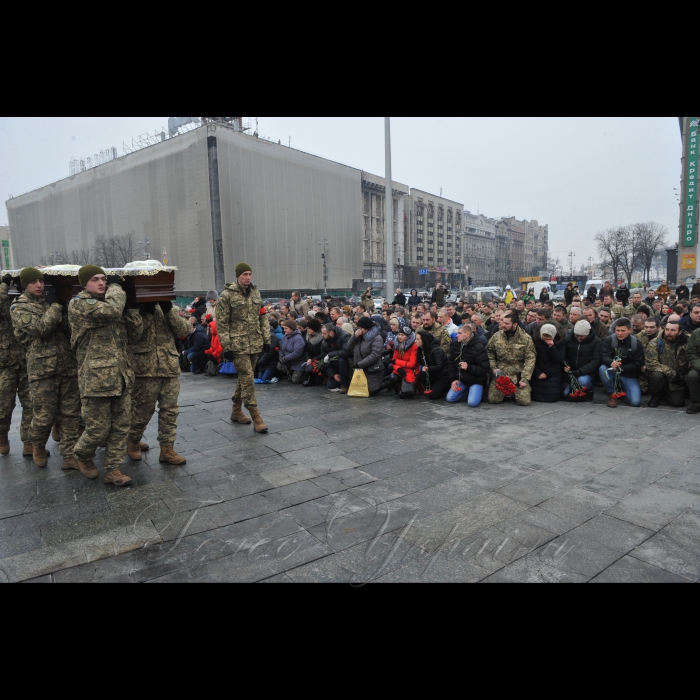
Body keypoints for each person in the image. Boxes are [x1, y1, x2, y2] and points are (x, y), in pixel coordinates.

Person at [69, 266, 143, 487]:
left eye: (104, 279)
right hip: (96, 380)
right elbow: (110, 312)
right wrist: (118, 288)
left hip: (120, 376)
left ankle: (113, 470)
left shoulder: (113, 303)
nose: (102, 283)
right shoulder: (79, 304)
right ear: (84, 284)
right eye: (95, 279)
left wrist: (132, 309)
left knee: (121, 426)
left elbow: (135, 335)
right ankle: (81, 453)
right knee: (98, 429)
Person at [11, 268, 80, 471]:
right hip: (42, 370)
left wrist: (65, 307)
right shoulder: (19, 307)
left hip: (67, 366)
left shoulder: (54, 303)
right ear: (25, 285)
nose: (39, 285)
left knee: (70, 414)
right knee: (43, 415)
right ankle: (38, 447)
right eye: (33, 282)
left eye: (41, 281)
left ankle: (68, 455)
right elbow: (41, 329)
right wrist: (56, 306)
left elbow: (69, 331)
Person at [126, 298, 191, 466]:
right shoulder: (133, 310)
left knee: (170, 410)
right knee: (142, 411)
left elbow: (185, 329)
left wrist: (168, 309)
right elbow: (133, 335)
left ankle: (167, 449)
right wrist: (145, 312)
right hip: (144, 369)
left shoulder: (169, 308)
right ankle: (132, 441)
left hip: (169, 367)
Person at [216, 263, 271, 434]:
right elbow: (222, 323)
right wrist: (226, 346)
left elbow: (262, 317)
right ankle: (256, 416)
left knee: (244, 377)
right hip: (237, 345)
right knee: (248, 377)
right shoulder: (226, 296)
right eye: (244, 274)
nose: (248, 277)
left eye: (250, 274)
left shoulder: (256, 293)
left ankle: (236, 410)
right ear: (238, 276)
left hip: (254, 342)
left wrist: (266, 339)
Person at [0, 273, 34, 459]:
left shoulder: (23, 302)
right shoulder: (3, 299)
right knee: (4, 405)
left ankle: (28, 443)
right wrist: (4, 287)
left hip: (25, 360)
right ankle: (2, 436)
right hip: (5, 362)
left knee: (30, 404)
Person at [487, 312, 536, 406]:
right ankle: (506, 392)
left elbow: (530, 359)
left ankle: (515, 391)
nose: (503, 325)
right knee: (493, 400)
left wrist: (525, 378)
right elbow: (489, 352)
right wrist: (494, 368)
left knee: (524, 402)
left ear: (515, 324)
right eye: (503, 323)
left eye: (507, 323)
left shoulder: (526, 338)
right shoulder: (497, 336)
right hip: (501, 374)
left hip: (518, 374)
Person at [599, 318, 644, 408]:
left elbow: (638, 363)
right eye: (617, 330)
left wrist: (621, 368)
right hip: (612, 370)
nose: (620, 333)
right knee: (603, 369)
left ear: (630, 330)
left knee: (635, 402)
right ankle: (612, 394)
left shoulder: (636, 343)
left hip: (628, 374)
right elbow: (603, 355)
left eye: (623, 331)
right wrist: (611, 362)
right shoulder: (609, 340)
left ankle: (622, 391)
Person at [645, 320, 689, 409]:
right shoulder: (656, 342)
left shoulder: (688, 341)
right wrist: (672, 373)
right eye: (667, 329)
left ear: (680, 332)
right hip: (662, 374)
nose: (669, 333)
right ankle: (655, 397)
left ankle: (666, 394)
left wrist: (683, 376)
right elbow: (651, 363)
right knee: (656, 375)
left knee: (678, 403)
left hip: (678, 378)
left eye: (673, 330)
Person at [446, 324, 490, 407]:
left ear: (467, 334)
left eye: (459, 333)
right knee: (450, 398)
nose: (457, 335)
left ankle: (478, 391)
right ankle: (467, 391)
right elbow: (451, 363)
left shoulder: (479, 348)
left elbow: (484, 369)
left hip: (475, 380)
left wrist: (469, 367)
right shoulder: (455, 345)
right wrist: (453, 379)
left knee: (472, 403)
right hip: (462, 379)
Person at [563, 320, 602, 400]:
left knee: (583, 380)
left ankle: (589, 391)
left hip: (587, 371)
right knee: (565, 393)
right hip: (571, 371)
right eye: (577, 335)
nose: (579, 338)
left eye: (582, 336)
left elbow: (596, 361)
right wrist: (566, 365)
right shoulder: (568, 338)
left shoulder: (596, 341)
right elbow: (564, 355)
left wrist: (580, 371)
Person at [347, 317, 385, 395]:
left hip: (370, 369)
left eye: (361, 328)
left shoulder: (377, 338)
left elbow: (375, 355)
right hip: (359, 369)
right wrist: (354, 336)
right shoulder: (359, 336)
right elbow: (348, 347)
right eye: (358, 327)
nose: (359, 329)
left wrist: (360, 364)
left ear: (366, 328)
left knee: (368, 391)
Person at [530, 324, 566, 404]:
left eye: (548, 338)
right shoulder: (535, 340)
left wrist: (552, 347)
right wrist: (537, 373)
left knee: (552, 396)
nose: (546, 340)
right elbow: (530, 359)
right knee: (536, 396)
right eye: (544, 339)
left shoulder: (560, 341)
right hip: (538, 369)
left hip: (553, 372)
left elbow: (559, 359)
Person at [381, 326, 419, 398]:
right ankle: (376, 388)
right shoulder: (397, 343)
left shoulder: (414, 346)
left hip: (410, 370)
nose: (400, 337)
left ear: (408, 337)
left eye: (402, 335)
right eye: (399, 334)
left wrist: (396, 361)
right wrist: (398, 368)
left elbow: (412, 364)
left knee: (404, 395)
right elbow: (393, 361)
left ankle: (396, 385)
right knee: (392, 378)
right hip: (400, 368)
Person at [415, 330, 450, 400]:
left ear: (424, 340)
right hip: (433, 374)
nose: (415, 341)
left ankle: (444, 388)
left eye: (418, 339)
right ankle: (432, 387)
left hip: (443, 375)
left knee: (432, 396)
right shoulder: (420, 349)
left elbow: (439, 366)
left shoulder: (436, 350)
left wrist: (428, 368)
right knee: (420, 375)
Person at [320, 323, 352, 393]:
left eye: (324, 333)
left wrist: (330, 354)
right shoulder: (324, 343)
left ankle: (344, 385)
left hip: (346, 364)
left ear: (331, 333)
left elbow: (346, 352)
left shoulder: (344, 336)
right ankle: (338, 380)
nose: (322, 335)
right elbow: (325, 361)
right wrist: (333, 374)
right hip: (334, 366)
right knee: (331, 385)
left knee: (341, 360)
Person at [278, 319, 307, 384]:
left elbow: (297, 353)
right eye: (284, 328)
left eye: (286, 328)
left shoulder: (298, 338)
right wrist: (281, 356)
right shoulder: (284, 337)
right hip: (288, 361)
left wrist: (285, 358)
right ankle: (290, 373)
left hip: (298, 362)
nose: (284, 330)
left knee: (295, 381)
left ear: (292, 329)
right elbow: (281, 349)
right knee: (279, 366)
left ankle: (304, 373)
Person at [686, 328, 700, 414]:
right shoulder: (696, 333)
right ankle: (697, 403)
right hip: (698, 365)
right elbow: (691, 353)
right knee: (692, 375)